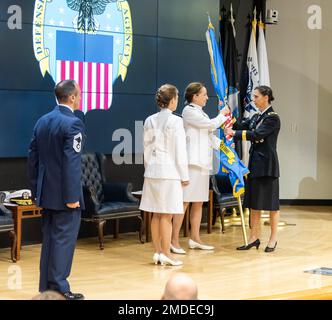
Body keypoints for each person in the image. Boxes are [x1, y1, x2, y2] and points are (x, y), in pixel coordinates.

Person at [28, 80, 85, 299]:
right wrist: (72, 196)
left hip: (46, 194)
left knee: (50, 240)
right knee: (63, 241)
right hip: (64, 195)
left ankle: (47, 288)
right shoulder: (73, 123)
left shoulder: (42, 121)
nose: (80, 98)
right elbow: (72, 162)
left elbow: (33, 157)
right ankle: (61, 289)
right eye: (78, 95)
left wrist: (35, 191)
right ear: (71, 97)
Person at [171, 82, 229, 253]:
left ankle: (195, 238)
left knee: (198, 202)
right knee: (184, 203)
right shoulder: (189, 111)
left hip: (203, 164)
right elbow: (210, 125)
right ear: (194, 96)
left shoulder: (200, 112)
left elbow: (209, 135)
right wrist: (222, 114)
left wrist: (227, 150)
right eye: (204, 94)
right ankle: (173, 240)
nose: (206, 97)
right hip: (192, 164)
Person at [225, 85, 281, 252]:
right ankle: (253, 238)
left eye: (256, 97)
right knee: (254, 204)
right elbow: (242, 125)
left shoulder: (272, 118)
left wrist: (234, 133)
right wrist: (229, 117)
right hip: (255, 165)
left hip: (268, 167)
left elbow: (257, 135)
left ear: (266, 97)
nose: (253, 100)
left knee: (271, 205)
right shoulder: (257, 116)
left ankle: (273, 239)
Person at [139, 84, 189, 266]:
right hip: (170, 172)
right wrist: (184, 175)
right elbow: (179, 151)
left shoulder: (149, 120)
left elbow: (146, 149)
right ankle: (167, 253)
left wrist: (149, 168)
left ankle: (158, 252)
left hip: (152, 171)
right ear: (173, 100)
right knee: (166, 215)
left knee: (156, 214)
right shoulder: (176, 121)